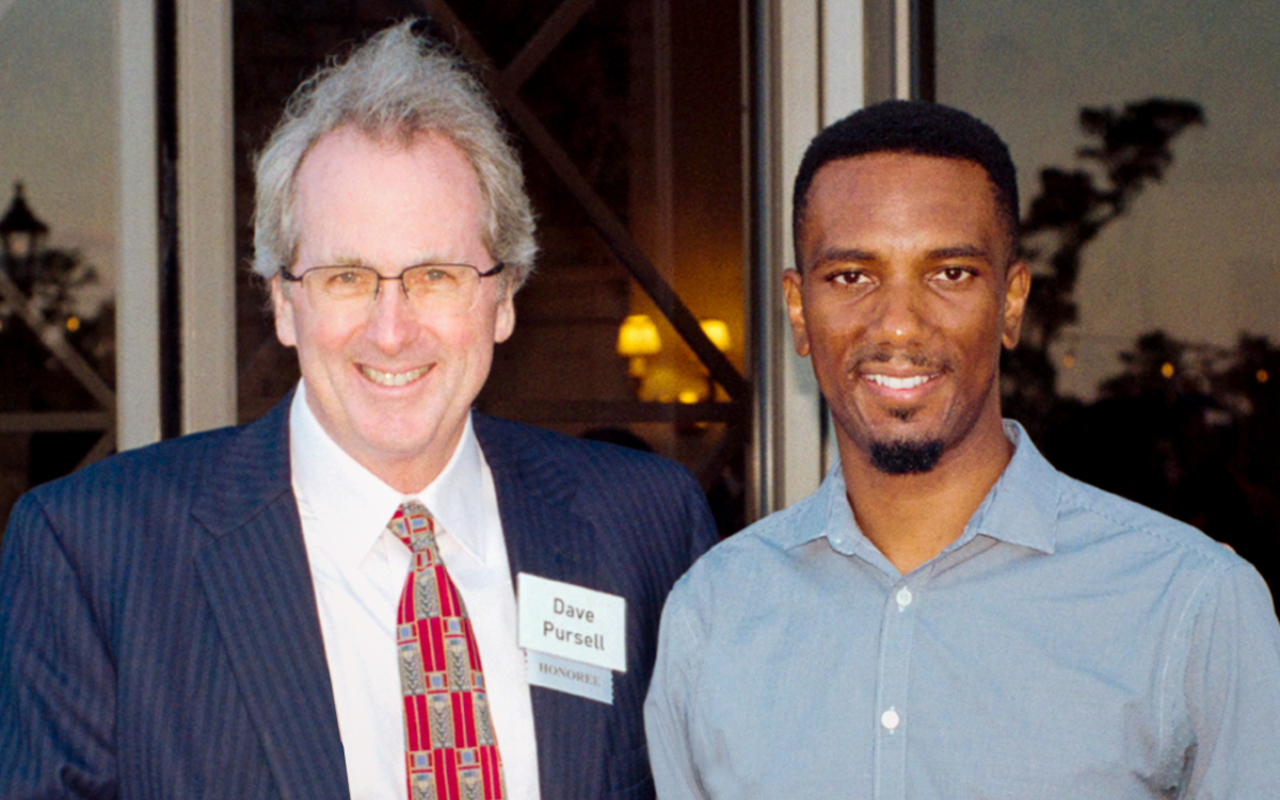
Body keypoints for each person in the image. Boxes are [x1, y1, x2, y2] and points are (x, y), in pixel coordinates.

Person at [0, 21, 717, 800]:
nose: (391, 327)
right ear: (282, 302)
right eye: (346, 276)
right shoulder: (95, 558)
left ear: (504, 297)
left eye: (436, 274)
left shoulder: (643, 527)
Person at [644, 100, 1280, 799]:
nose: (898, 324)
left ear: (1011, 302)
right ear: (799, 309)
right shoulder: (713, 615)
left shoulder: (1190, 605)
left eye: (950, 274)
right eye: (852, 276)